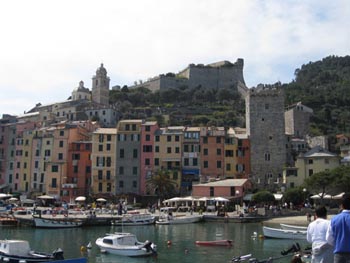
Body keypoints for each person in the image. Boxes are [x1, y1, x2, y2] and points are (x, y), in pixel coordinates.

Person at [326, 193, 350, 263]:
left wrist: (338, 243)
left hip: (339, 254)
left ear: (342, 205)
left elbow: (329, 239)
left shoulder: (334, 220)